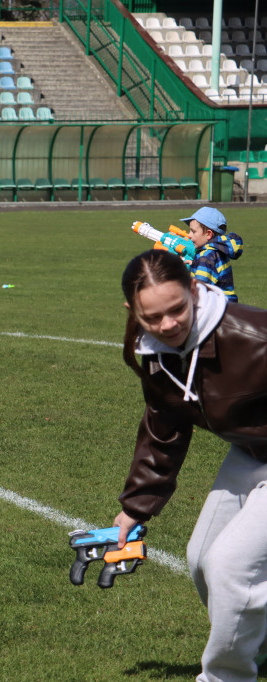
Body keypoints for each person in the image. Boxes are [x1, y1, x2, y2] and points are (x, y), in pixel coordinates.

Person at [113, 248, 267, 682]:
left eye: (177, 309)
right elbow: (165, 427)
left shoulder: (255, 336)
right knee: (201, 559)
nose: (168, 325)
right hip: (251, 453)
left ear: (195, 290)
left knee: (230, 566)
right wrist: (135, 507)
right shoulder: (157, 351)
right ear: (133, 311)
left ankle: (226, 677)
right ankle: (259, 644)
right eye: (153, 317)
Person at [183, 206, 243, 303]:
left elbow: (199, 290)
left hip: (217, 309)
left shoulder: (206, 257)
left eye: (193, 231)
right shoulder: (218, 250)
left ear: (208, 234)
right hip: (228, 305)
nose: (189, 235)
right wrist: (194, 264)